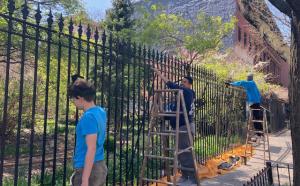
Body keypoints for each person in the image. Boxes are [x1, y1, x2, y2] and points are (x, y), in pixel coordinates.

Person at [152, 68, 197, 184]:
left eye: (184, 82)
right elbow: (174, 113)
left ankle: (191, 177)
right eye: (181, 82)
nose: (182, 84)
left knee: (185, 153)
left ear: (190, 85)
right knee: (182, 153)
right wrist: (162, 114)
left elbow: (171, 85)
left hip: (184, 127)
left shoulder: (187, 92)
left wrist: (160, 74)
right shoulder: (183, 98)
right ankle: (186, 176)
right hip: (182, 126)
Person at [68, 75, 107, 186]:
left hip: (89, 170)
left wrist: (85, 180)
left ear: (80, 98)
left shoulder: (88, 117)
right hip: (99, 165)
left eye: (73, 99)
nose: (73, 102)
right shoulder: (100, 111)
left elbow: (91, 148)